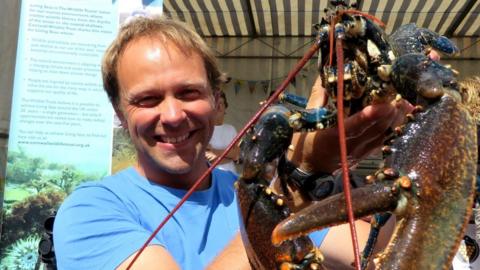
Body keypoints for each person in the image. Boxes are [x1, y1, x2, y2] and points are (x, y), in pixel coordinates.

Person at [53, 15, 411, 270]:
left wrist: (406, 146)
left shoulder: (238, 188)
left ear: (216, 99)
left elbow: (375, 251)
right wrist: (299, 177)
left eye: (189, 92)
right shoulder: (89, 211)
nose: (174, 115)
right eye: (147, 99)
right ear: (119, 111)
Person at [205, 91, 240, 174]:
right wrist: (229, 156)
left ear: (225, 108)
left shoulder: (231, 129)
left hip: (230, 174)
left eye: (222, 103)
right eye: (216, 103)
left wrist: (214, 152)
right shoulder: (205, 129)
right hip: (211, 175)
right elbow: (206, 158)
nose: (219, 106)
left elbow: (236, 155)